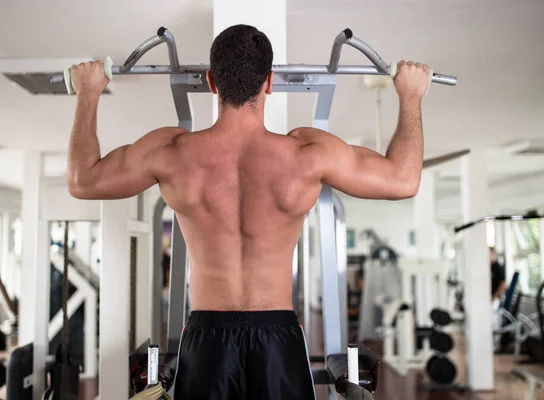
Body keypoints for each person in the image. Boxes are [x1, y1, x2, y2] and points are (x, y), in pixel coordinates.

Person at [66, 24, 431, 400]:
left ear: (211, 82)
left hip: (207, 339)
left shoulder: (171, 153)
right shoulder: (306, 155)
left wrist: (88, 93)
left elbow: (83, 180)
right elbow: (404, 180)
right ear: (269, 82)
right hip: (278, 338)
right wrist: (411, 95)